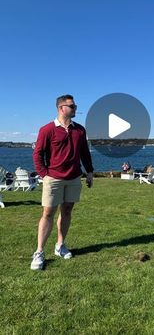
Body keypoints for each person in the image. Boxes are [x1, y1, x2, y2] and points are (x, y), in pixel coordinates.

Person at [31, 94, 94, 271]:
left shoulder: (80, 130)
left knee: (67, 211)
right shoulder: (47, 129)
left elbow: (84, 153)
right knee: (48, 213)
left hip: (74, 177)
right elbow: (38, 154)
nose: (75, 109)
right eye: (72, 106)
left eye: (75, 106)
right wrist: (45, 174)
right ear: (61, 108)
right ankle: (39, 251)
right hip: (53, 178)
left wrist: (89, 172)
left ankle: (60, 245)